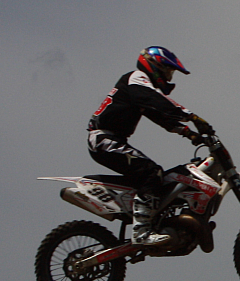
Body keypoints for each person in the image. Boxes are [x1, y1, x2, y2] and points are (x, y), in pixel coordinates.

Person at [87, 46, 213, 246]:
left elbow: (158, 114)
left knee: (154, 176)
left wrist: (188, 133)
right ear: (155, 65)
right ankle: (141, 232)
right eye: (168, 70)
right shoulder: (137, 78)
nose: (169, 77)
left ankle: (151, 219)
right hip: (104, 140)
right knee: (152, 173)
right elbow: (155, 99)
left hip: (111, 140)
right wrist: (191, 116)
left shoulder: (139, 87)